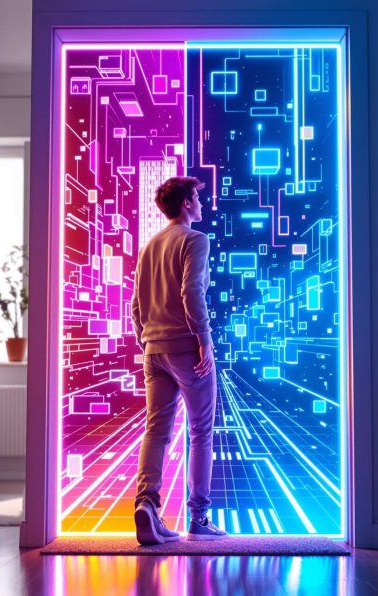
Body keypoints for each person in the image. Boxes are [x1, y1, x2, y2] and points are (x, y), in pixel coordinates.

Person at [130, 176, 228, 545]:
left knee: (156, 431)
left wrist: (146, 339)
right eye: (198, 198)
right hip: (187, 348)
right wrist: (204, 340)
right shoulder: (195, 240)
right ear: (186, 203)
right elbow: (191, 291)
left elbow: (135, 305)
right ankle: (199, 518)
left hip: (152, 351)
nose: (202, 203)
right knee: (200, 432)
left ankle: (147, 506)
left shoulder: (149, 247)